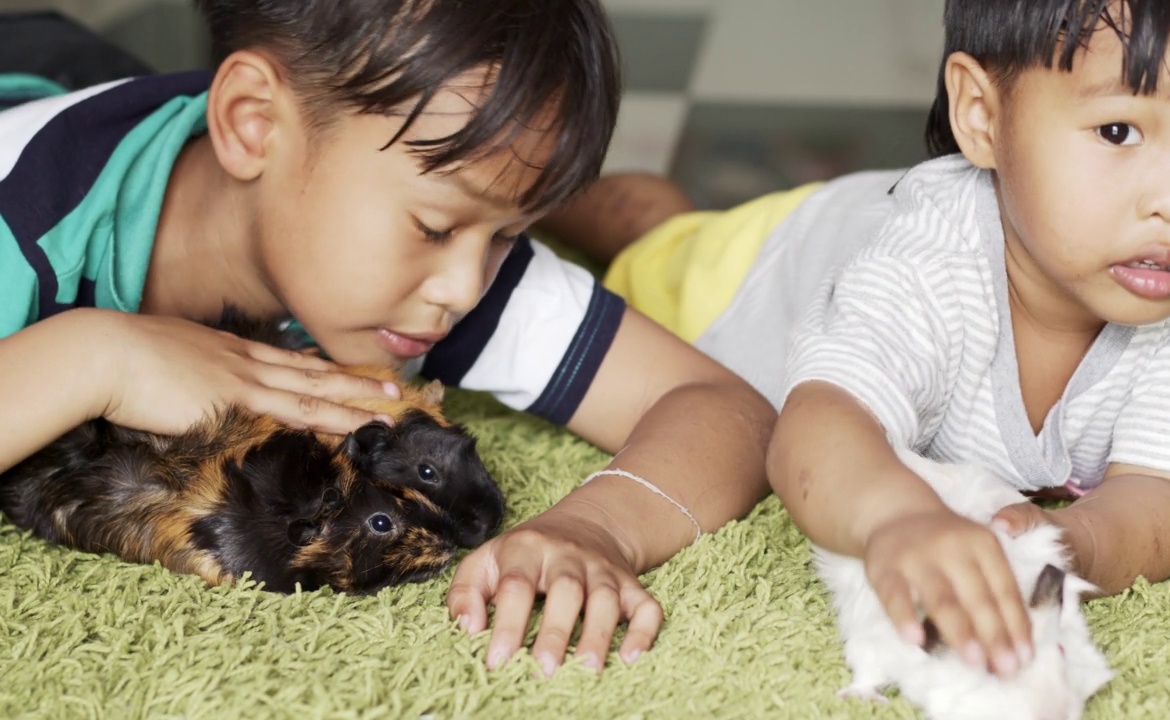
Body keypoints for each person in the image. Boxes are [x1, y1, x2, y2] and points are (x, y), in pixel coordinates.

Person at [0, 0, 776, 677]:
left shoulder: (444, 272)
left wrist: (598, 525)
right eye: (436, 224)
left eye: (510, 232)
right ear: (254, 126)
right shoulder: (24, 226)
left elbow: (720, 406)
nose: (466, 287)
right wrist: (95, 354)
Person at [544, 0, 1170, 680]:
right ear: (983, 115)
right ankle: (565, 194)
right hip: (777, 258)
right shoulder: (926, 262)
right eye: (1118, 131)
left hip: (917, 206)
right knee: (651, 240)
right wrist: (896, 518)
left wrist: (1070, 543)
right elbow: (818, 427)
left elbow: (1169, 491)